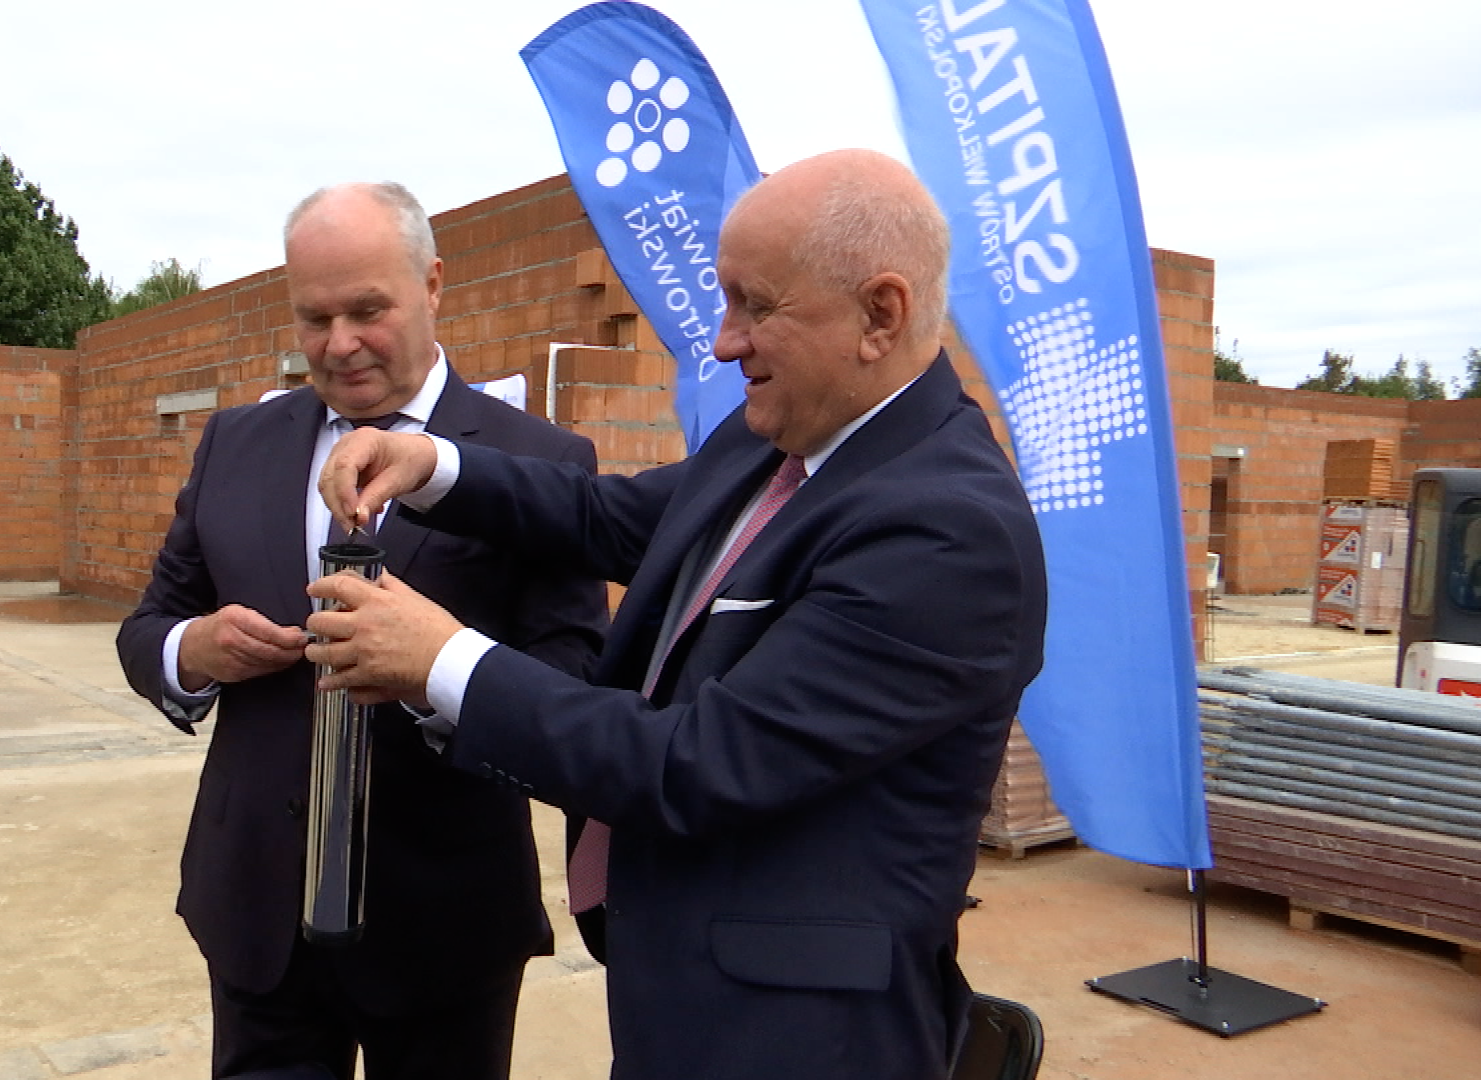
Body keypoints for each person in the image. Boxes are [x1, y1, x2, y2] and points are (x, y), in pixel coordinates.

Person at [305, 150, 1048, 1079]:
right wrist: (432, 466)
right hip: (680, 993)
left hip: (793, 1040)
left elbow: (697, 763)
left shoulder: (948, 535)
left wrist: (443, 660)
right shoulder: (778, 439)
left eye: (755, 305)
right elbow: (607, 517)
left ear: (880, 314)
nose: (725, 343)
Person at [115, 182, 607, 1080]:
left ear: (433, 284)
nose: (339, 344)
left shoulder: (538, 462)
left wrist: (435, 673)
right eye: (315, 318)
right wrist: (195, 652)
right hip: (256, 909)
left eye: (367, 311)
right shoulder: (236, 443)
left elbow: (573, 668)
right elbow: (149, 625)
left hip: (444, 922)